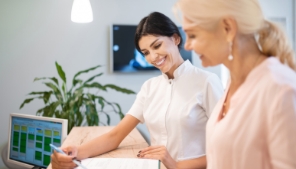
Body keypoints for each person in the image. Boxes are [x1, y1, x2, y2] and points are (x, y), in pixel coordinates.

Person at [51, 11, 223, 169]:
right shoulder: (150, 87)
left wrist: (176, 165)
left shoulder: (206, 82)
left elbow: (227, 147)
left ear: (176, 38)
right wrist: (76, 152)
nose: (153, 57)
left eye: (157, 46)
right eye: (146, 52)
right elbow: (115, 136)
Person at [174, 0, 296, 168]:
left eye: (193, 35)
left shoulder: (281, 89)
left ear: (228, 28)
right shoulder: (234, 81)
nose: (186, 45)